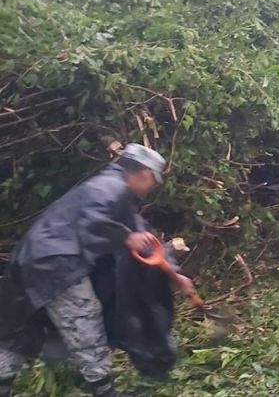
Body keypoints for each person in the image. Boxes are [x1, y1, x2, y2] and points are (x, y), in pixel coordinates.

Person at [0, 144, 194, 397]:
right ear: (145, 173)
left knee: (20, 328)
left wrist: (175, 274)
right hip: (57, 265)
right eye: (153, 182)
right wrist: (126, 237)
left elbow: (146, 238)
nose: (150, 189)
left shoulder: (112, 189)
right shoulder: (111, 186)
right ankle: (105, 392)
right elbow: (95, 219)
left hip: (30, 263)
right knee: (85, 321)